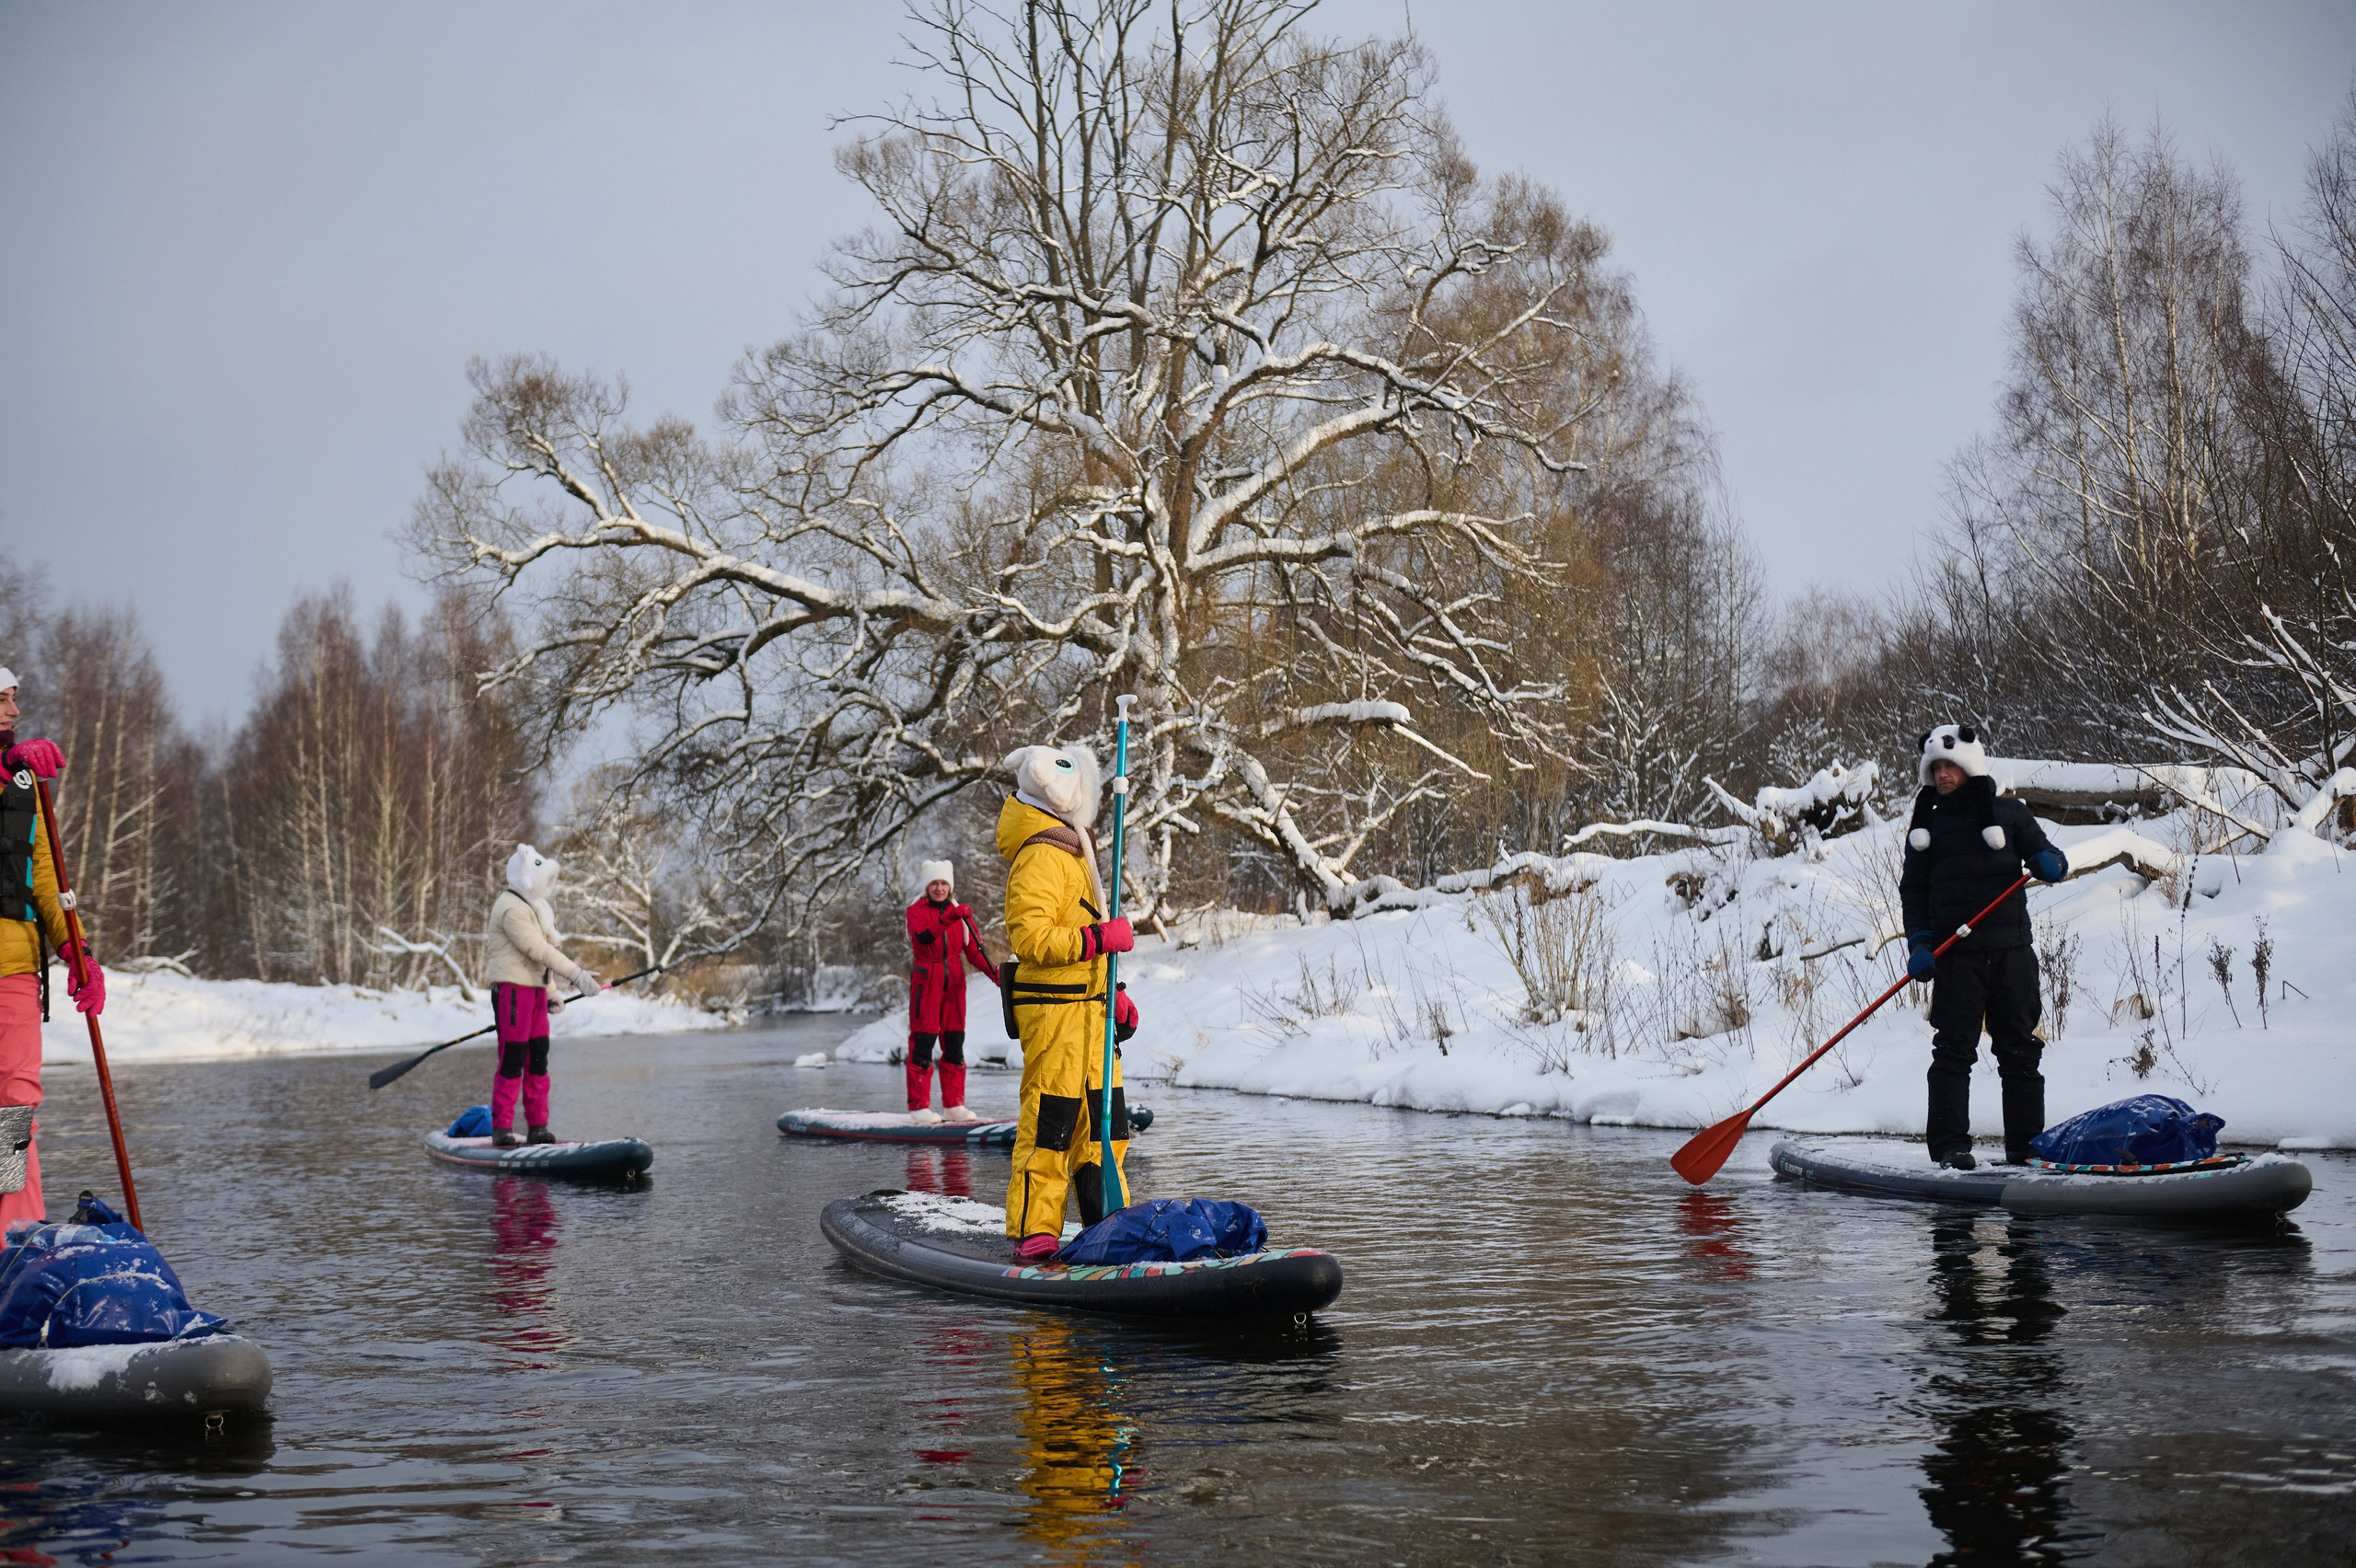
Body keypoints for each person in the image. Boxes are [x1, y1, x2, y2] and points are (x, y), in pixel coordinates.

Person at [1899, 724, 2070, 1170]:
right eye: (1935, 768)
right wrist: (1919, 942)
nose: (1942, 774)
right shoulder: (1926, 826)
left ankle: (2027, 1149)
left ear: (1968, 765)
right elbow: (1913, 891)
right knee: (1954, 1052)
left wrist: (2051, 864)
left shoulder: (2010, 815)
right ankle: (1951, 1148)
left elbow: (2050, 857)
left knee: (2019, 1051)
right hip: (1955, 957)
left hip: (2012, 952)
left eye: (1949, 766)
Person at [995, 743, 1139, 1259]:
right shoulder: (1040, 853)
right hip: (1055, 1013)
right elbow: (1032, 938)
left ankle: (1105, 1224)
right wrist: (1101, 940)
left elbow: (1090, 932)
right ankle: (1036, 1230)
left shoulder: (1075, 848)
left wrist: (1115, 995)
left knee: (1107, 1125)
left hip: (1091, 1010)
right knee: (1051, 1122)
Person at [0, 666, 103, 1237]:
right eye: (1, 701)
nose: (13, 713)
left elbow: (44, 876)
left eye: (14, 700)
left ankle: (14, 1240)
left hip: (13, 967)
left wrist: (76, 948)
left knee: (13, 1111)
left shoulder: (23, 783)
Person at [483, 844, 604, 1147]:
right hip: (513, 994)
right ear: (525, 879)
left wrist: (550, 992)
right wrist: (576, 975)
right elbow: (537, 949)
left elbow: (538, 960)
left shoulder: (532, 908)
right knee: (513, 1060)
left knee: (538, 1059)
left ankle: (538, 1127)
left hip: (534, 994)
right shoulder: (511, 908)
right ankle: (502, 1129)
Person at [904, 859, 999, 1124]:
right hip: (927, 981)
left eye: (944, 883)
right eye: (934, 883)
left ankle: (954, 1106)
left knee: (955, 1043)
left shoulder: (960, 913)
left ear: (950, 886)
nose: (939, 888)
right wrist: (949, 918)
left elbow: (974, 949)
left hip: (955, 982)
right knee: (923, 1044)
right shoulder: (916, 911)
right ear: (927, 887)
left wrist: (995, 975)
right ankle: (919, 1107)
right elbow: (923, 937)